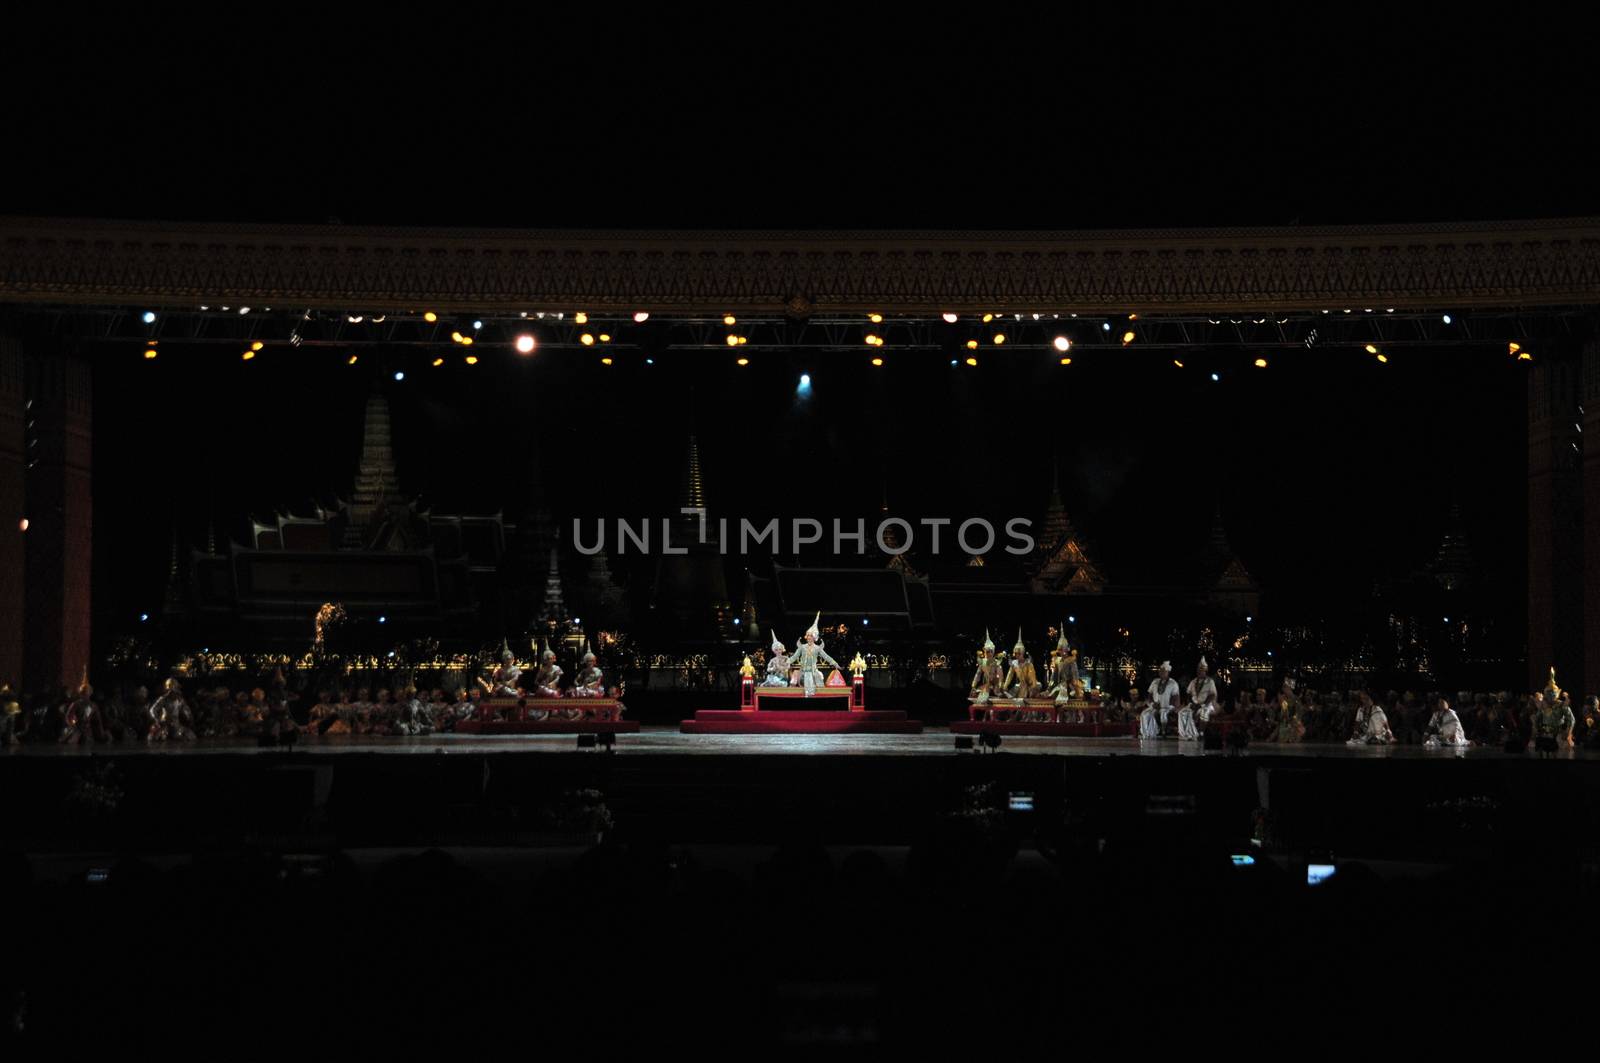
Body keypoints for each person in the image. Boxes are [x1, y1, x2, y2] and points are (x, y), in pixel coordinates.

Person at [790, 613, 843, 698]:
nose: (809, 637)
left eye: (811, 636)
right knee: (798, 677)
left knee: (819, 679)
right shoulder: (802, 647)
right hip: (803, 672)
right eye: (808, 635)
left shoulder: (817, 648)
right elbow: (794, 657)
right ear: (806, 637)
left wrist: (836, 664)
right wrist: (786, 662)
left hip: (814, 671)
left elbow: (826, 657)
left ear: (814, 637)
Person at [1179, 656, 1216, 741]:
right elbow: (1188, 693)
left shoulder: (1210, 681)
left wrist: (1202, 704)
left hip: (1206, 704)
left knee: (1204, 712)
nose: (1199, 671)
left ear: (1205, 671)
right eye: (1198, 670)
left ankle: (1201, 733)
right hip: (1194, 704)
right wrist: (1191, 703)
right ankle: (1186, 733)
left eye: (1201, 670)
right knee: (1182, 713)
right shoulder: (1193, 681)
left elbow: (1212, 695)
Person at [1002, 629, 1041, 703]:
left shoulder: (1028, 663)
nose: (1017, 655)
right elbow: (1010, 675)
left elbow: (1033, 676)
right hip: (1021, 686)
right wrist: (1005, 686)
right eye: (1015, 653)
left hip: (1031, 686)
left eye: (1018, 653)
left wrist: (1034, 687)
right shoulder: (1014, 663)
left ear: (1022, 653)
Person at [1143, 662, 1177, 739]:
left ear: (1168, 672)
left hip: (1167, 706)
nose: (1161, 673)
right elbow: (1149, 694)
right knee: (1145, 714)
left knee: (1163, 714)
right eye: (1160, 671)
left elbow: (1175, 697)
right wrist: (1152, 704)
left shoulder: (1173, 683)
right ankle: (1149, 733)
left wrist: (1169, 706)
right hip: (1155, 705)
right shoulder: (1155, 681)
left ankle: (1163, 732)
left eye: (1163, 671)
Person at [969, 630, 1003, 705]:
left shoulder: (996, 662)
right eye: (986, 651)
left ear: (992, 652)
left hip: (995, 684)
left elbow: (1000, 676)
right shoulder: (982, 662)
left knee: (997, 694)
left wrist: (1000, 685)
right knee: (976, 693)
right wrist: (973, 685)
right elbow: (978, 675)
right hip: (986, 684)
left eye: (989, 651)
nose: (987, 653)